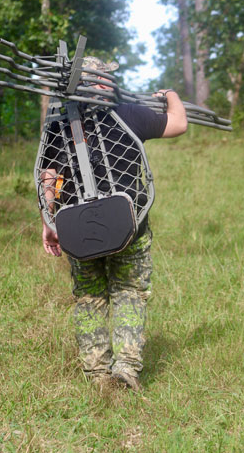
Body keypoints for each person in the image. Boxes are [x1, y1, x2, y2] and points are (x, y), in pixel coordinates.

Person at [41, 57, 187, 391]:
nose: (110, 83)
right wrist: (171, 94)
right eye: (106, 78)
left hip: (78, 229)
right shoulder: (130, 113)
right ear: (100, 82)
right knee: (129, 292)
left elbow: (48, 174)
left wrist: (48, 221)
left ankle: (96, 374)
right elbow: (178, 123)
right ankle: (126, 368)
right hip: (129, 226)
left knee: (90, 296)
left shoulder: (59, 124)